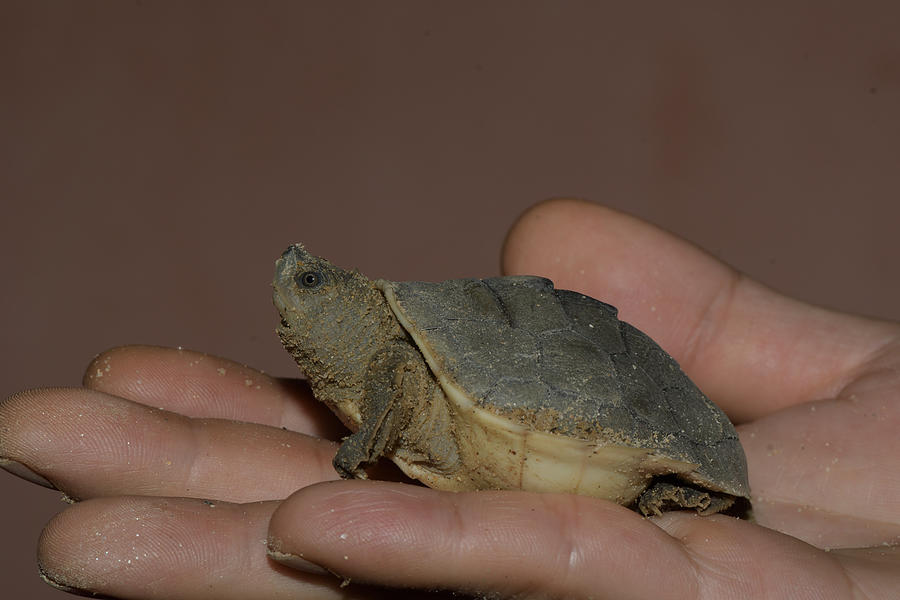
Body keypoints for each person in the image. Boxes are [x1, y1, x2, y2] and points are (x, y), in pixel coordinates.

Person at [1, 198, 897, 599]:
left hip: (614, 442)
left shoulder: (397, 355)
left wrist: (358, 455)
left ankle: (679, 487)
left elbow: (395, 385)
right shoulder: (385, 353)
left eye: (309, 282)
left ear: (351, 300)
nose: (288, 287)